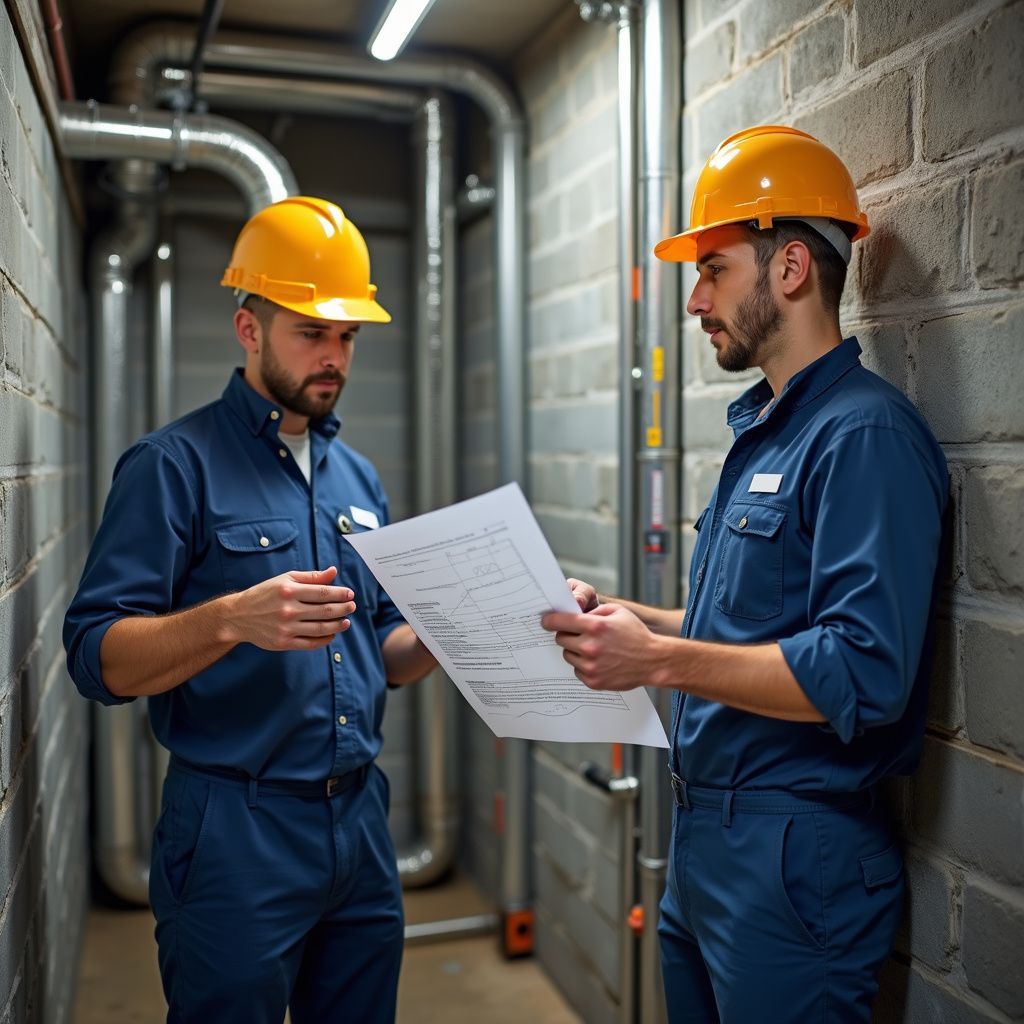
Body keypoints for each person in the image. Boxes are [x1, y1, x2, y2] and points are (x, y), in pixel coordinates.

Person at [540, 126, 948, 1023]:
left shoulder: (863, 437)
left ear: (791, 267)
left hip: (795, 856)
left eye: (714, 268)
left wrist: (654, 663)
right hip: (708, 842)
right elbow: (743, 629)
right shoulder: (770, 430)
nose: (694, 299)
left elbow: (861, 670)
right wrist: (627, 617)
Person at [64, 196, 436, 1024]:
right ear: (248, 327)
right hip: (238, 828)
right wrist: (230, 618)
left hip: (359, 821)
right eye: (311, 332)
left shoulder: (359, 480)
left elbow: (382, 652)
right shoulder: (172, 467)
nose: (333, 356)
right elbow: (96, 657)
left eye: (347, 336)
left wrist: (458, 633)